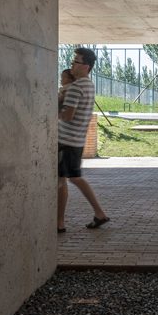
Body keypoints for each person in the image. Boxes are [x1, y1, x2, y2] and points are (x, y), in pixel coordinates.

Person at [57, 47, 110, 233]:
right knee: (66, 179)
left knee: (70, 179)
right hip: (76, 141)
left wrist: (54, 109)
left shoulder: (75, 87)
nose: (72, 65)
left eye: (76, 62)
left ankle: (96, 214)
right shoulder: (89, 85)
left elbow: (68, 116)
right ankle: (61, 222)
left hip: (66, 142)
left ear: (86, 66)